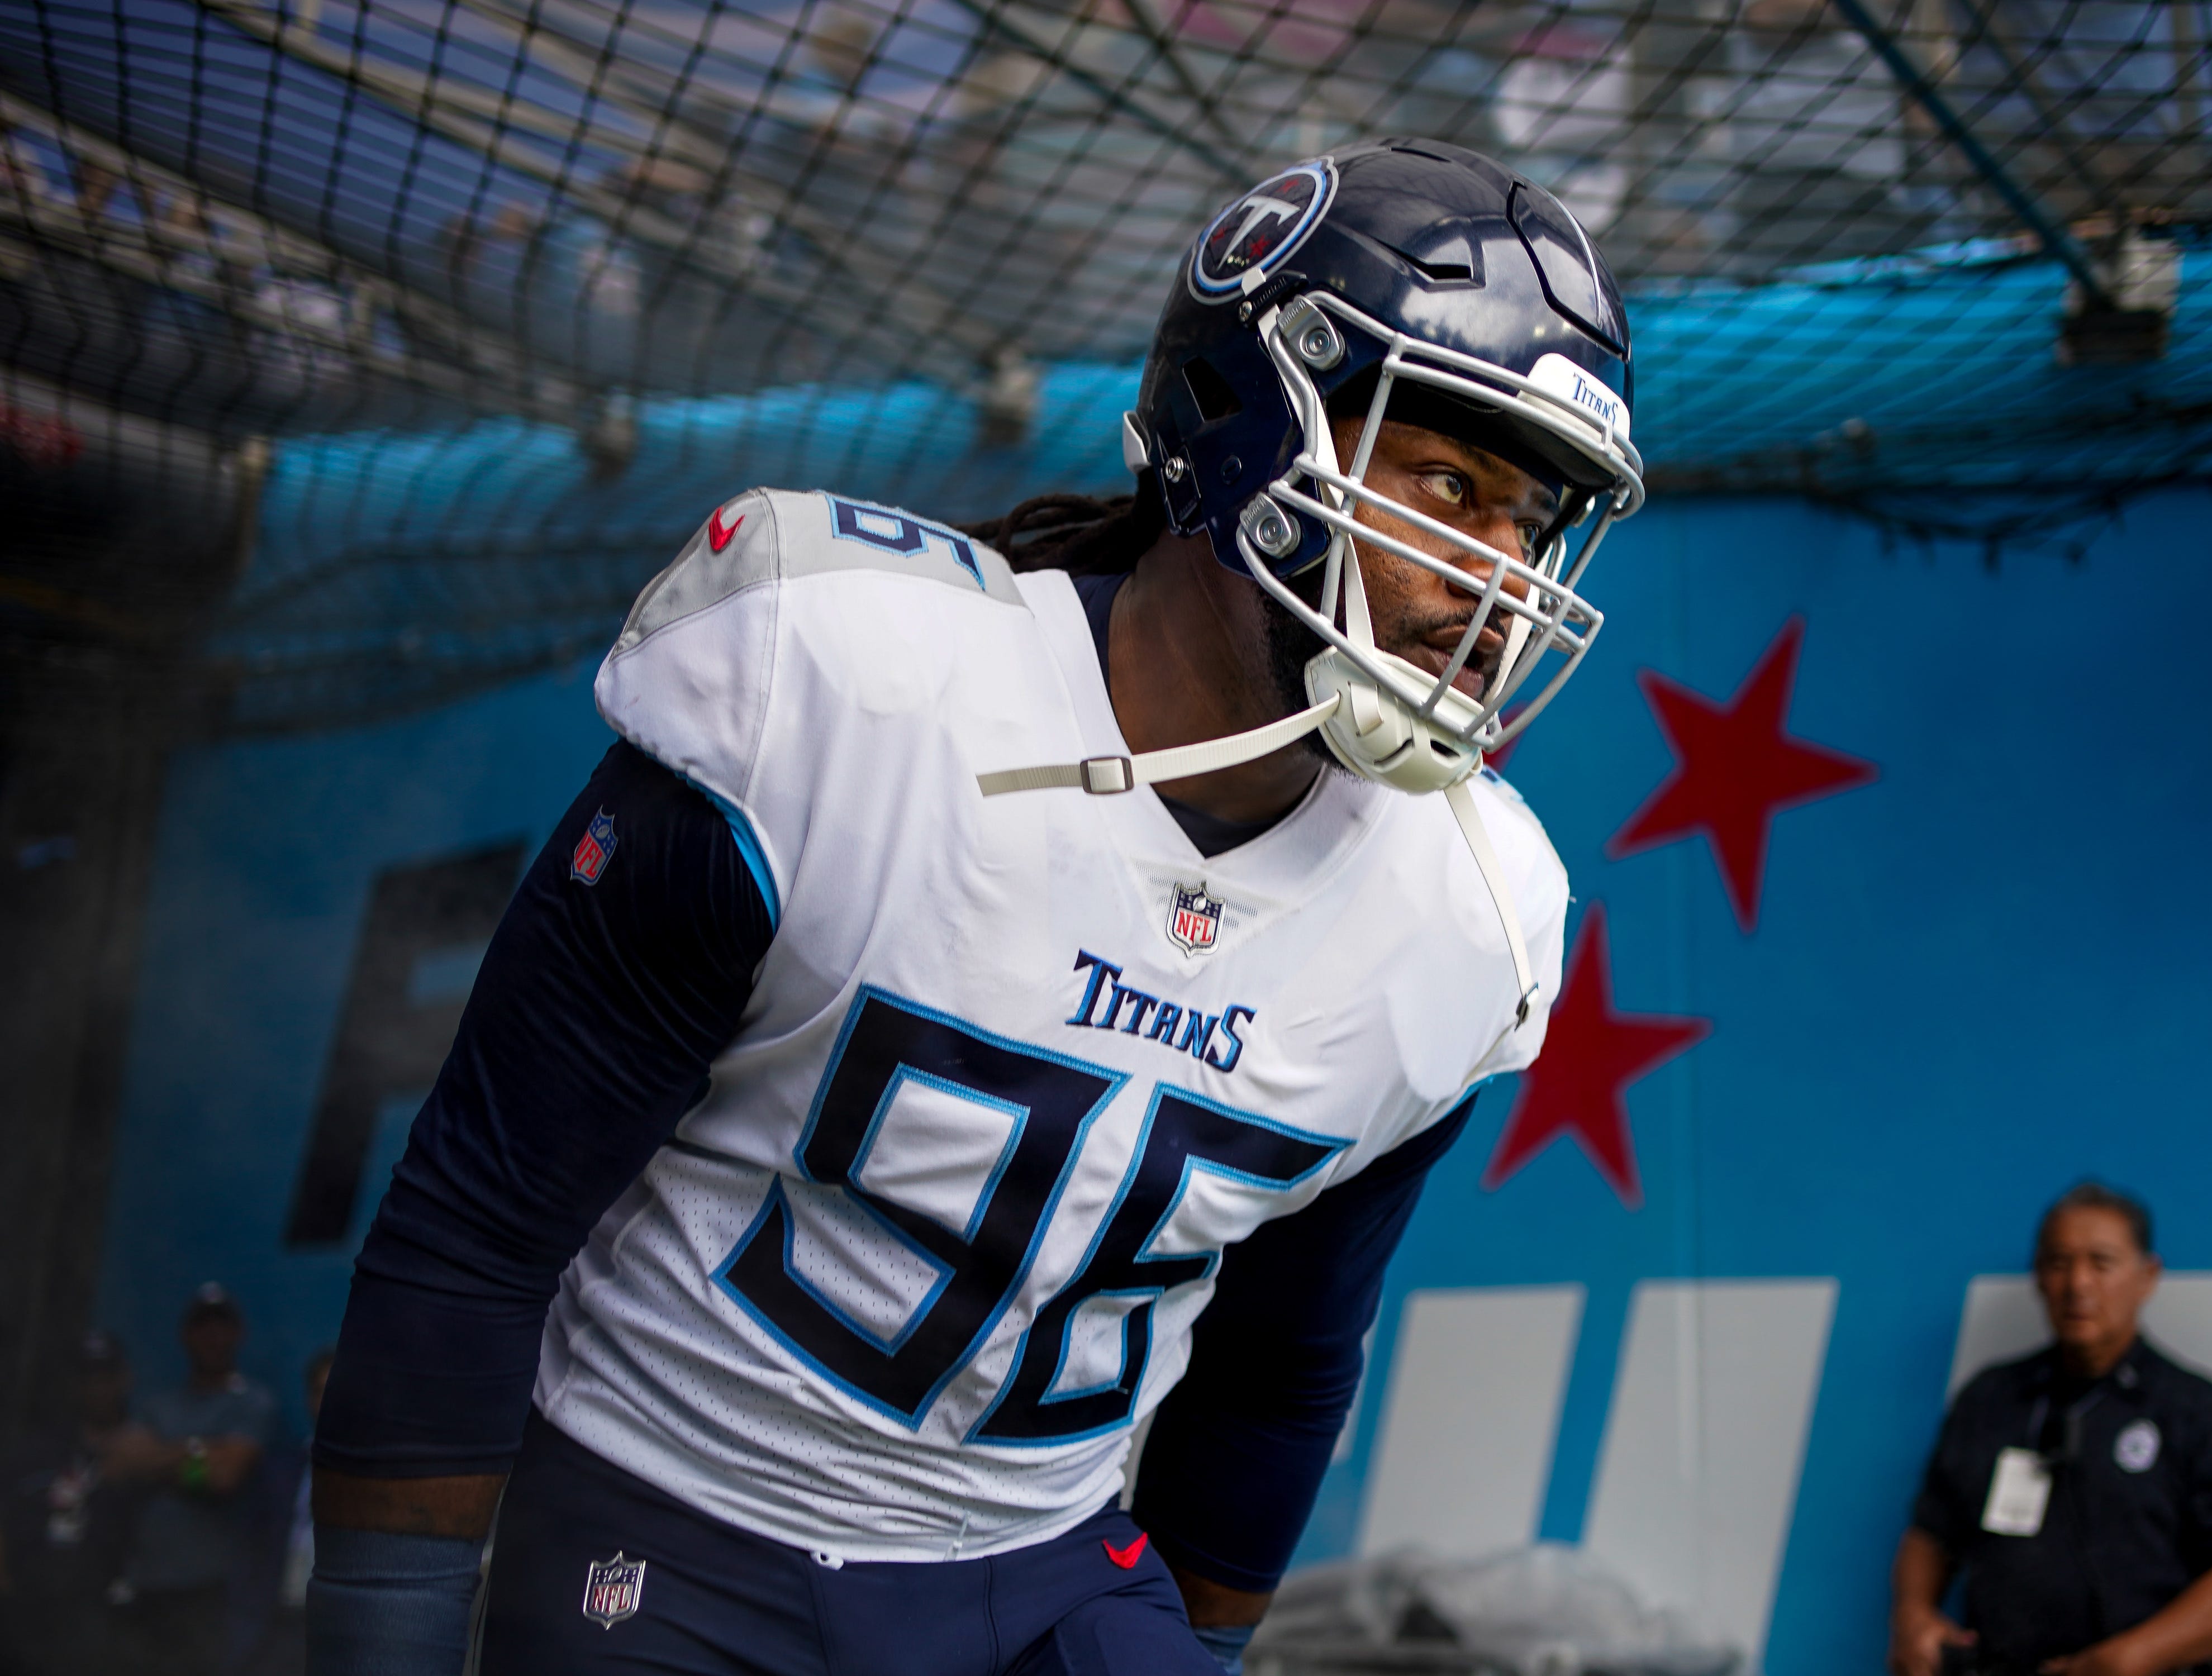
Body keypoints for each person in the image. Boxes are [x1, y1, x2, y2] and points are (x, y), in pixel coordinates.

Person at [307, 135, 1644, 1676]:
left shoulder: (1468, 907)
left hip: (1038, 1568)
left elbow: (1279, 1367)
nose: (1498, 584)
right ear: (1246, 428)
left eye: (1531, 524)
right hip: (674, 1518)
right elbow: (483, 1216)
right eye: (1449, 486)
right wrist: (387, 1626)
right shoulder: (843, 688)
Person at [1889, 1184, 2212, 1676]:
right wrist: (1912, 1615)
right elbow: (1931, 1532)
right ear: (2037, 1277)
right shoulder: (1990, 1399)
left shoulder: (2195, 1413)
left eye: (2101, 1263)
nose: (2078, 1284)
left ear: (2147, 1276)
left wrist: (2130, 1658)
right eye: (2059, 1263)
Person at [118, 1284, 278, 1674]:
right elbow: (123, 1464)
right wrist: (197, 1454)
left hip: (208, 1588)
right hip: (145, 1580)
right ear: (186, 1334)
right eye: (202, 1326)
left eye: (222, 1326)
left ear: (238, 1334)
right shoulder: (160, 1404)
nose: (212, 1337)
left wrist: (163, 1461)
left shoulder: (251, 1402)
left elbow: (224, 1476)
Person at [0, 1330, 146, 1676]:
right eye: (88, 1378)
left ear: (124, 1379)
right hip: (27, 1613)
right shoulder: (37, 1451)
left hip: (102, 1617)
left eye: (106, 1376)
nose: (98, 1387)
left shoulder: (143, 1451)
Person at [232, 1348, 332, 1676]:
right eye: (320, 1391)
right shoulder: (280, 1471)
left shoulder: (379, 1476)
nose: (330, 1400)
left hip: (341, 1627)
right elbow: (249, 1550)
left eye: (338, 1388)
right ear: (308, 1399)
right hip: (280, 1624)